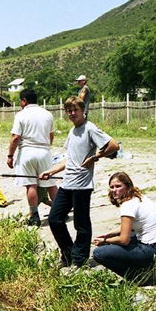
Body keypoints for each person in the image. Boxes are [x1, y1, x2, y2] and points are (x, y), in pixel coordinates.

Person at [40, 96, 119, 267]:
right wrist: (51, 171)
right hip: (67, 183)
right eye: (69, 110)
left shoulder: (90, 128)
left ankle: (80, 259)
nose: (72, 113)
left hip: (82, 185)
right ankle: (68, 253)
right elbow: (70, 159)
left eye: (75, 110)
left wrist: (95, 157)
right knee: (55, 219)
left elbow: (114, 145)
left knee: (80, 223)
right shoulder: (72, 131)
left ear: (83, 110)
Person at [92, 172, 156, 284]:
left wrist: (105, 241)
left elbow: (124, 240)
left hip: (154, 250)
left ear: (127, 186)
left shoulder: (128, 205)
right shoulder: (138, 197)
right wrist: (109, 235)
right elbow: (129, 226)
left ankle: (137, 277)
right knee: (119, 239)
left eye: (118, 186)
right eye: (112, 187)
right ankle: (145, 268)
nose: (114, 190)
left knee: (99, 253)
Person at [7, 89, 58, 226]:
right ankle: (60, 211)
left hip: (27, 152)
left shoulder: (21, 115)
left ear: (24, 100)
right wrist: (46, 147)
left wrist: (10, 155)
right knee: (51, 184)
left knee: (31, 185)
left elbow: (16, 137)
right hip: (44, 151)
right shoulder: (47, 114)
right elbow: (51, 135)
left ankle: (34, 216)